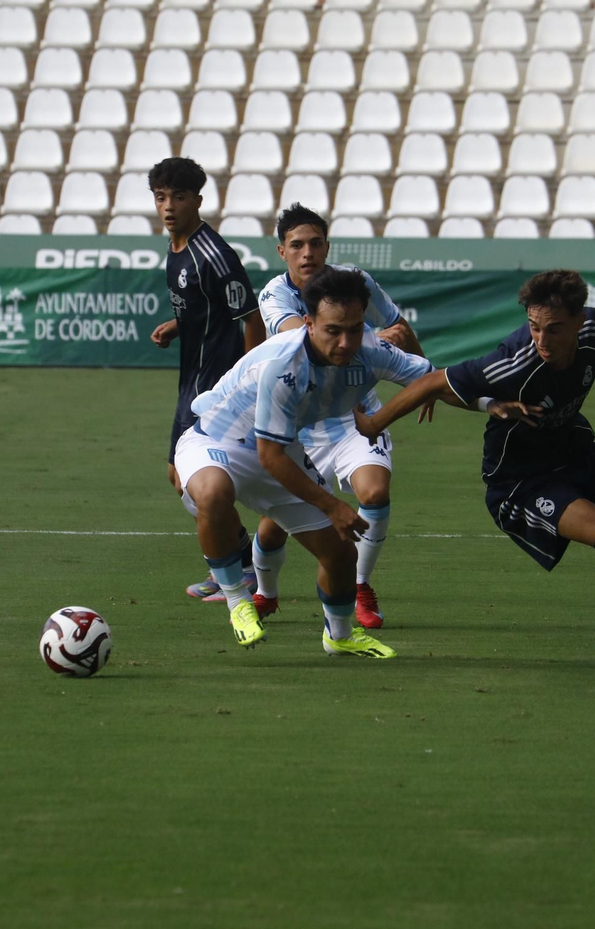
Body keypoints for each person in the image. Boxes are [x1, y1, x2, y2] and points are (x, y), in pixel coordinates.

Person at [351, 269, 595, 669]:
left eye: (554, 330)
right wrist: (374, 424)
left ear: (580, 322)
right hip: (521, 480)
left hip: (576, 452)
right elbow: (435, 381)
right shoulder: (511, 362)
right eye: (534, 327)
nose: (541, 340)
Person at [175, 267, 433, 658]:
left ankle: (340, 636)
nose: (346, 341)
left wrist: (493, 402)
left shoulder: (368, 350)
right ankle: (237, 600)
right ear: (309, 323)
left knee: (341, 554)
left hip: (278, 449)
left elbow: (434, 376)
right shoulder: (285, 363)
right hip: (215, 442)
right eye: (333, 330)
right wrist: (332, 505)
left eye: (354, 329)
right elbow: (269, 456)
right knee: (213, 493)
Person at [248, 204, 423, 629]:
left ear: (327, 246)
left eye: (315, 243)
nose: (307, 253)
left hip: (353, 415)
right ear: (281, 251)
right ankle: (265, 593)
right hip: (300, 422)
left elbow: (398, 327)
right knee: (273, 528)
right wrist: (370, 338)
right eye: (297, 245)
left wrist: (423, 376)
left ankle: (360, 586)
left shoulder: (356, 282)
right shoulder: (274, 295)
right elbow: (299, 337)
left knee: (375, 494)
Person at [145, 157, 266, 601]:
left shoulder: (213, 254)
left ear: (198, 200)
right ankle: (239, 562)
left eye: (178, 197)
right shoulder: (177, 246)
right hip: (192, 379)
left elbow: (250, 319)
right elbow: (205, 305)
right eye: (161, 197)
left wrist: (251, 385)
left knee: (191, 477)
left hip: (216, 386)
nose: (169, 205)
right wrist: (178, 324)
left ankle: (238, 569)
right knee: (184, 477)